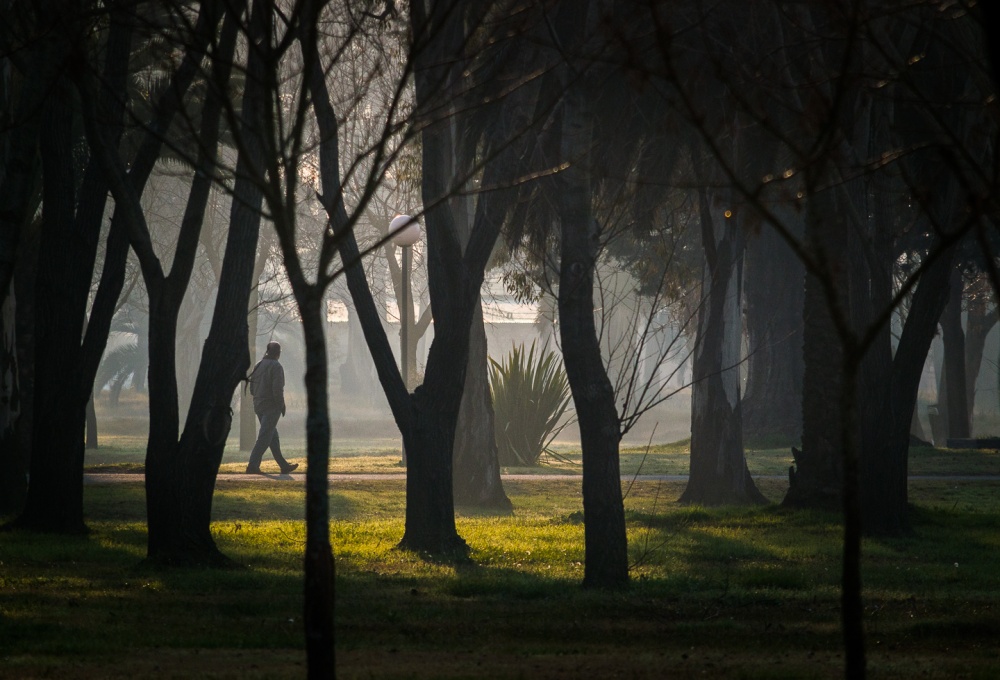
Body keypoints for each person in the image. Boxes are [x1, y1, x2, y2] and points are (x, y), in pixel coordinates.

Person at [246, 341, 298, 474]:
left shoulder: (258, 365)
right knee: (264, 437)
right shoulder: (276, 367)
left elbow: (251, 389)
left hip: (258, 405)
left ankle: (283, 465)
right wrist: (281, 405)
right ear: (278, 353)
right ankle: (252, 465)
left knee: (272, 437)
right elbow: (277, 389)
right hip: (271, 407)